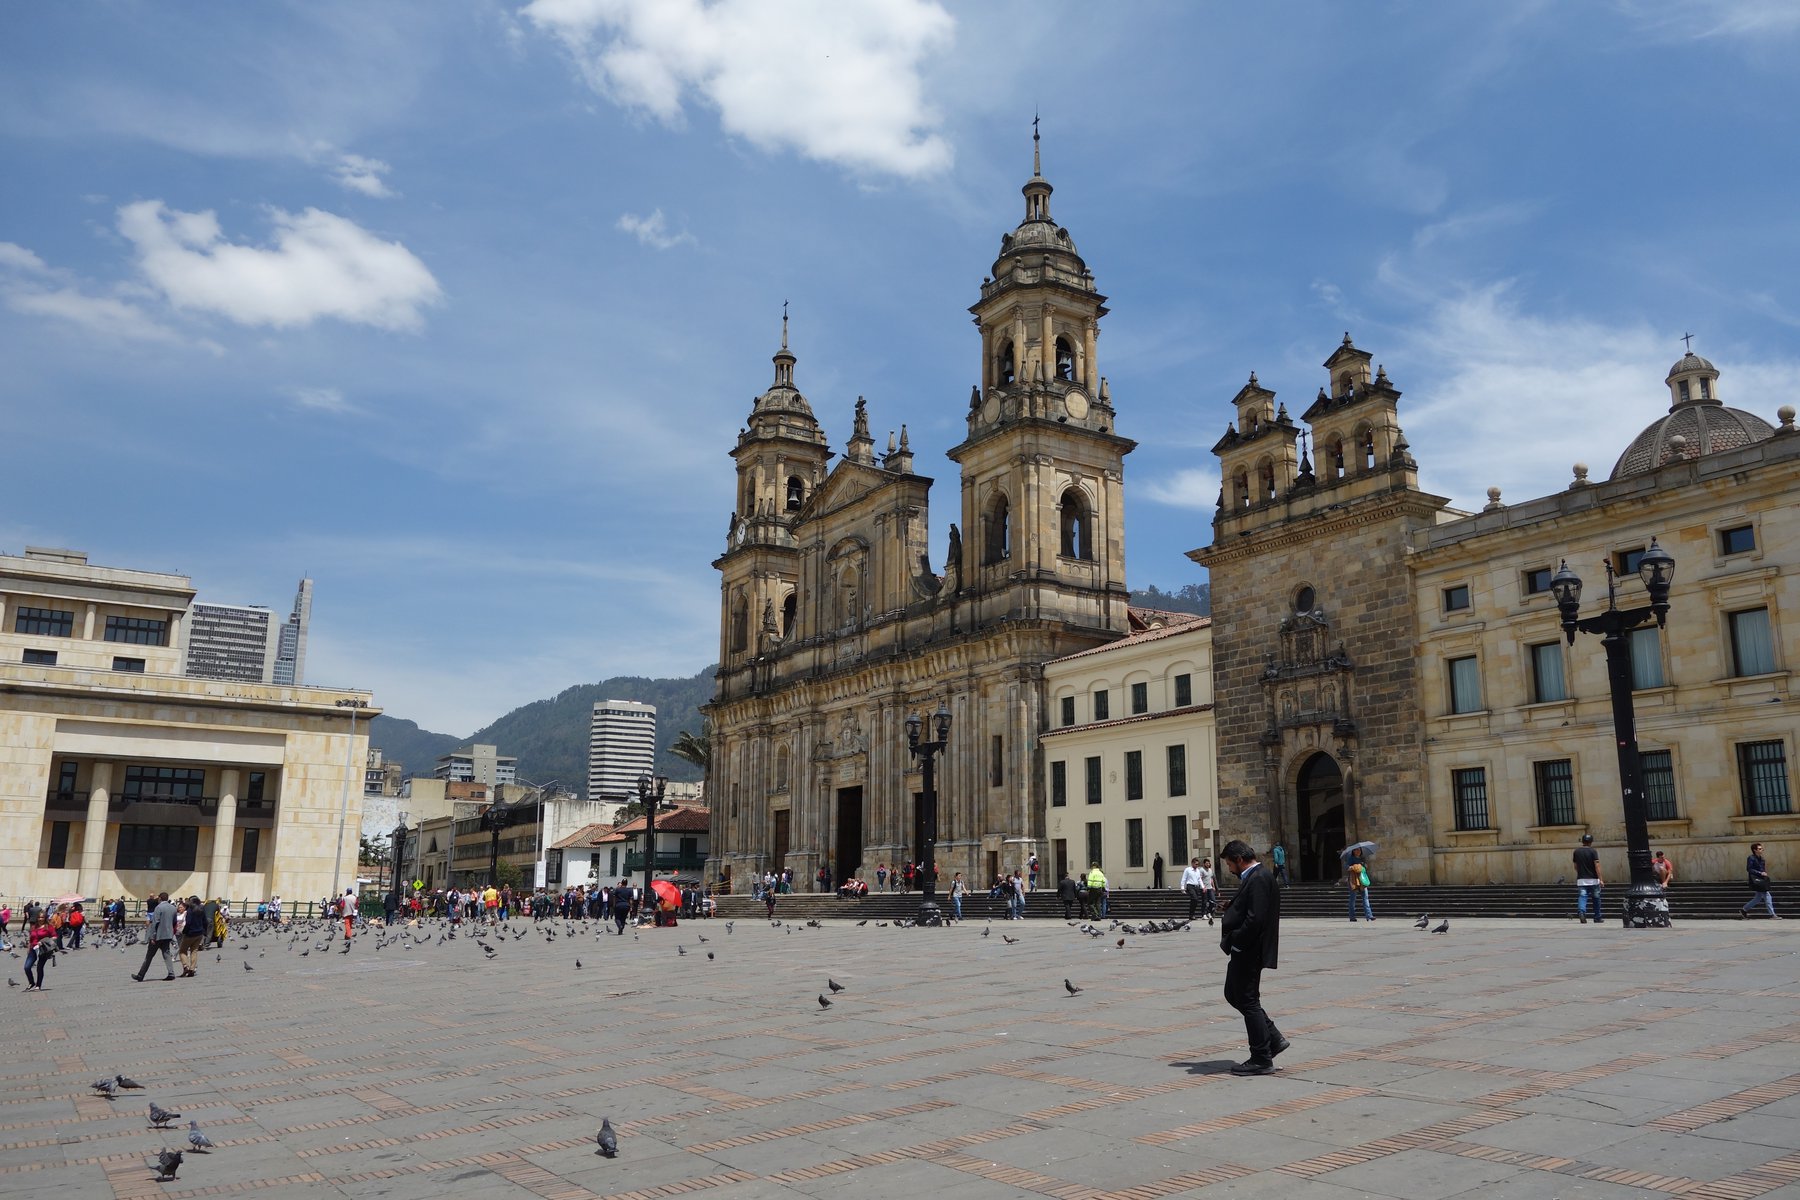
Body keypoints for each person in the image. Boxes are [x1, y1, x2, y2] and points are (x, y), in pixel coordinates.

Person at [1218, 839, 1287, 1075]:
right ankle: (1273, 1038)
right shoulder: (1256, 877)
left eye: (1229, 864)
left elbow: (1255, 919)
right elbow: (1251, 909)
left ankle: (1261, 1056)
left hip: (1249, 950)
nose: (1229, 869)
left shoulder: (1258, 878)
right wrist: (1232, 907)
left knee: (1247, 1000)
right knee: (1232, 993)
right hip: (1247, 949)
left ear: (1239, 860)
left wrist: (1237, 941)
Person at [133, 892, 179, 982]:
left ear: (160, 898)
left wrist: (152, 937)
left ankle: (140, 975)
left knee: (149, 956)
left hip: (158, 936)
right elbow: (174, 922)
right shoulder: (173, 908)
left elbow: (155, 923)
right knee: (166, 954)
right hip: (168, 935)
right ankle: (171, 973)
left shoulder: (158, 908)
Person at [1741, 843, 1779, 919]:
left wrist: (1764, 874)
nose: (1762, 850)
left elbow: (1762, 869)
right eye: (1760, 849)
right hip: (1756, 880)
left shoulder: (1762, 859)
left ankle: (1744, 909)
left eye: (1762, 848)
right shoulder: (1751, 858)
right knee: (1767, 895)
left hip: (1761, 880)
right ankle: (1772, 914)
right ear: (1755, 850)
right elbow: (1749, 869)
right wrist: (1760, 873)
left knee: (1757, 898)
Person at [1573, 834, 1604, 925]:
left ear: (1582, 841)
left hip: (1581, 879)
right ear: (1591, 842)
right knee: (1596, 898)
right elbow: (1597, 866)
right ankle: (1597, 917)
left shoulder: (1576, 851)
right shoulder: (1593, 851)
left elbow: (1575, 866)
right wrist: (1601, 879)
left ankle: (1582, 912)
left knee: (1582, 897)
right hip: (1593, 879)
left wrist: (1581, 873)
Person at [23, 911, 55, 990]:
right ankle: (31, 982)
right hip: (33, 949)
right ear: (37, 918)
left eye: (42, 917)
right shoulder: (34, 927)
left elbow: (54, 937)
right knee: (27, 967)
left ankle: (38, 985)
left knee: (39, 967)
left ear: (45, 918)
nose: (40, 919)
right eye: (39, 917)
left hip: (43, 949)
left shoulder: (49, 927)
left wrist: (43, 941)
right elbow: (31, 939)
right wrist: (28, 948)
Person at [177, 897, 206, 978]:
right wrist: (204, 931)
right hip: (199, 934)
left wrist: (184, 931)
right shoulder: (202, 909)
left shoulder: (190, 910)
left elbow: (188, 923)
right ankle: (192, 969)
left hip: (190, 934)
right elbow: (205, 921)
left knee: (182, 951)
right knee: (194, 951)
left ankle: (186, 967)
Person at [1346, 849, 1374, 922]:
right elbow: (1346, 867)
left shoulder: (1362, 859)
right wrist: (1352, 867)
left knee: (1365, 898)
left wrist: (1363, 866)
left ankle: (1369, 916)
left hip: (1362, 880)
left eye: (1359, 850)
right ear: (1353, 851)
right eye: (1356, 850)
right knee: (1352, 899)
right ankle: (1352, 917)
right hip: (1354, 880)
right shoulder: (1351, 859)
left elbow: (1365, 868)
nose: (1358, 852)